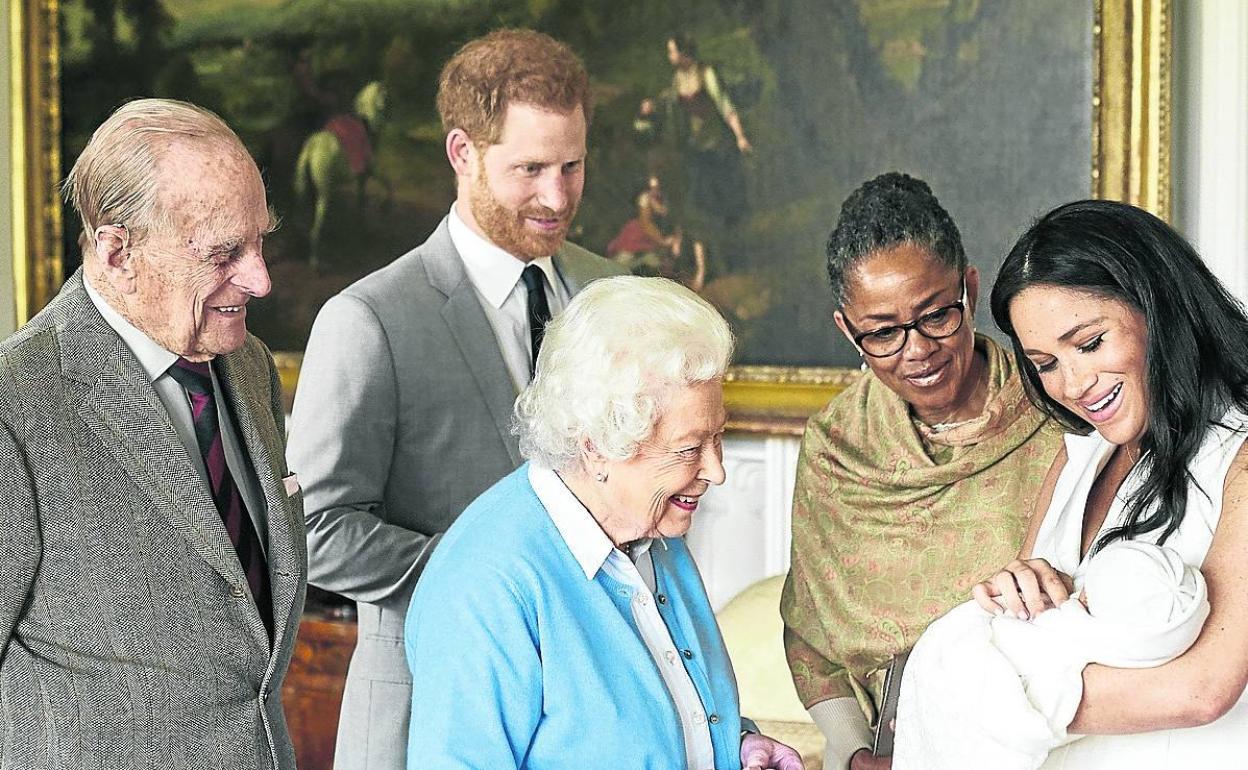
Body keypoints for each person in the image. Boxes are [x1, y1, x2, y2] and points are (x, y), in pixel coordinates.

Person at [286, 28, 625, 770]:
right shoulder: (367, 320)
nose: (558, 197)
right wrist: (493, 574)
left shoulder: (615, 296)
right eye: (531, 168)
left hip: (596, 724)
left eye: (573, 166)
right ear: (462, 153)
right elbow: (314, 531)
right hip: (422, 713)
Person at [0, 98, 305, 768]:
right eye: (225, 252)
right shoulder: (16, 406)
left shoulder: (247, 366)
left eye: (261, 241)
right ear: (117, 252)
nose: (259, 278)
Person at [403, 275, 801, 770]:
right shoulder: (485, 585)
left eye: (717, 437)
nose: (715, 470)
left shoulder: (653, 529)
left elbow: (643, 723)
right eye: (688, 448)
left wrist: (734, 747)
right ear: (596, 446)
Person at [780, 172, 1062, 770]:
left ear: (970, 289)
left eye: (936, 316)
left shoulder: (1058, 415)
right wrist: (855, 750)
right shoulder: (836, 450)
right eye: (882, 333)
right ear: (846, 330)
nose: (917, 351)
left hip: (1048, 735)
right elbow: (812, 634)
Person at [971, 199, 1248, 768]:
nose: (1072, 385)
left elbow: (1204, 689)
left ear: (1159, 308)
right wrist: (1020, 589)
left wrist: (977, 692)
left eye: (1090, 343)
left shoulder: (1239, 455)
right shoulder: (1077, 455)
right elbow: (1023, 633)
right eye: (1045, 363)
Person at [896, 541, 1209, 770]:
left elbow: (1202, 696)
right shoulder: (1076, 455)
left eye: (1087, 597)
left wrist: (943, 704)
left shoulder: (1073, 648)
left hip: (972, 658)